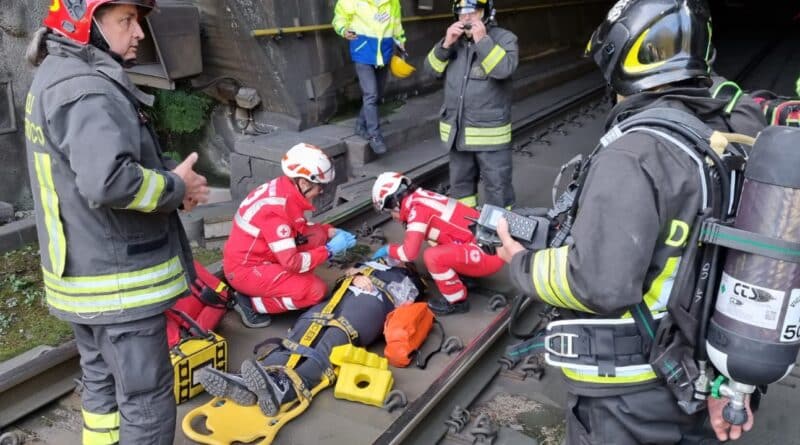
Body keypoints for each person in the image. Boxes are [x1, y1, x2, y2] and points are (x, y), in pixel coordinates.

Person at [495, 1, 765, 444]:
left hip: (632, 397)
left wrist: (522, 262)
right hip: (702, 379)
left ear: (620, 57)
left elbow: (598, 284)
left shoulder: (633, 154)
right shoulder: (723, 134)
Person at [25, 1, 210, 443]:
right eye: (126, 20)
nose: (139, 32)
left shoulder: (56, 75)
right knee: (146, 399)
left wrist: (171, 188)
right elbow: (108, 182)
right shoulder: (85, 88)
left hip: (85, 277)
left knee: (102, 388)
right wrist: (174, 187)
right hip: (118, 285)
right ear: (85, 22)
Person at [198, 258, 426, 416]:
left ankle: (286, 388)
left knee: (334, 336)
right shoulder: (373, 263)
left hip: (371, 306)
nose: (396, 258)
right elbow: (345, 273)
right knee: (304, 329)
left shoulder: (410, 279)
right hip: (343, 296)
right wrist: (355, 274)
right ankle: (254, 378)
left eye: (401, 258)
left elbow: (407, 309)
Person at [223, 143, 356, 328]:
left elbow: (297, 227)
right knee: (315, 291)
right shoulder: (276, 212)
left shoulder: (285, 189)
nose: (321, 191)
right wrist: (329, 251)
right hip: (246, 270)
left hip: (258, 256)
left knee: (318, 236)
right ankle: (250, 304)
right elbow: (293, 262)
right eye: (320, 186)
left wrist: (328, 232)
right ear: (304, 182)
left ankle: (282, 285)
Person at [424, 0, 518, 209]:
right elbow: (430, 72)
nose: (466, 17)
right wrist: (445, 45)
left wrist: (482, 41)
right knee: (461, 190)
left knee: (498, 189)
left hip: (490, 137)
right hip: (458, 135)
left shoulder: (505, 39)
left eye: (473, 12)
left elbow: (503, 70)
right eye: (461, 12)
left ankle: (499, 228)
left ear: (487, 13)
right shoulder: (452, 42)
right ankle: (465, 225)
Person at [370, 172, 504, 315]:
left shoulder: (417, 211)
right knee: (436, 242)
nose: (392, 216)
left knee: (432, 256)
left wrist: (388, 249)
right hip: (490, 245)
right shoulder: (421, 196)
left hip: (487, 255)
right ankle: (463, 278)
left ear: (394, 202)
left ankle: (456, 301)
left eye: (388, 211)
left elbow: (408, 254)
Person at [332, 0, 406, 155]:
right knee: (371, 94)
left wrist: (401, 42)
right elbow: (340, 17)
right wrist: (343, 29)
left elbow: (396, 24)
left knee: (376, 95)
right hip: (363, 52)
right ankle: (374, 135)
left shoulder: (393, 2)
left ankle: (360, 125)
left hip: (384, 54)